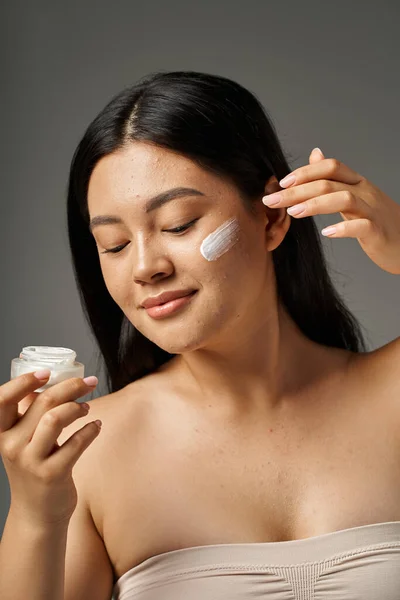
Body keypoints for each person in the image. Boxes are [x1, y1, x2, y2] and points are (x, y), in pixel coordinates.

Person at [1, 70, 399, 600]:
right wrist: (35, 515)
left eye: (179, 224)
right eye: (115, 245)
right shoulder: (87, 451)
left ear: (272, 220)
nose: (145, 267)